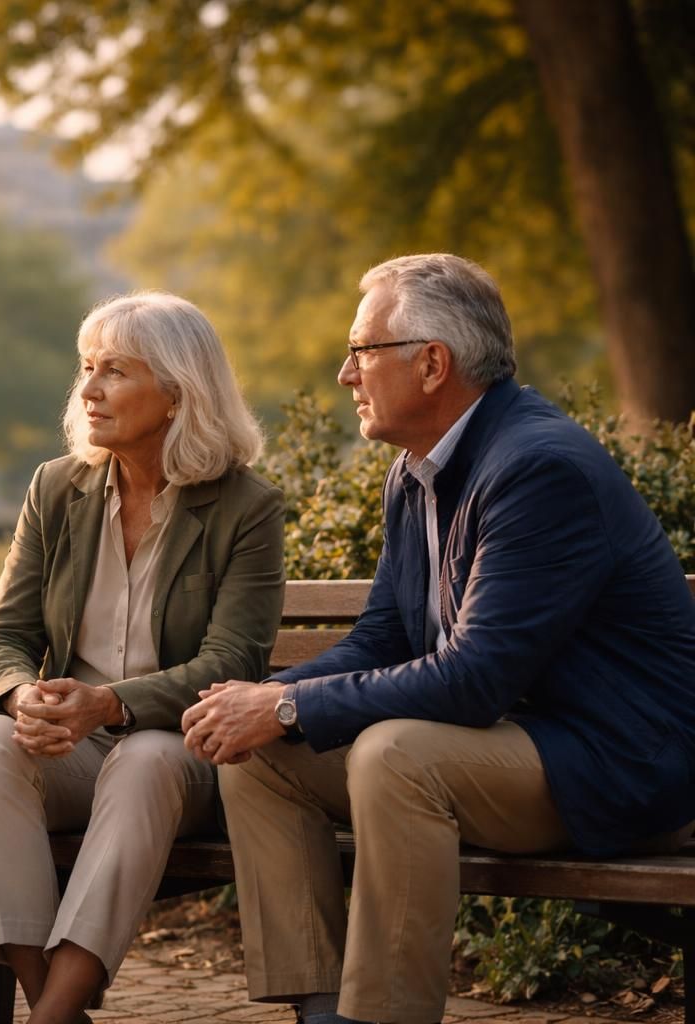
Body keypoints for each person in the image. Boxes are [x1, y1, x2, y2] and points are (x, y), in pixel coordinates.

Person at [183, 253, 695, 1024]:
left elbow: (474, 678)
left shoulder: (537, 468)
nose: (344, 374)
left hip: (617, 763)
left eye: (361, 351)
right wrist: (270, 703)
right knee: (261, 754)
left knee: (399, 756)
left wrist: (289, 705)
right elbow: (386, 636)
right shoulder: (417, 468)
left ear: (432, 364)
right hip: (518, 744)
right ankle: (321, 1010)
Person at [0, 292, 285, 1024]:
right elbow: (1, 636)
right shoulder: (56, 488)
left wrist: (109, 704)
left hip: (185, 751)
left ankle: (45, 1018)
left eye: (115, 372)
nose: (89, 390)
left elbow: (232, 663)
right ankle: (58, 1010)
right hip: (76, 744)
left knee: (144, 759)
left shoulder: (245, 508)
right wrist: (21, 700)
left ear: (176, 393)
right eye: (86, 369)